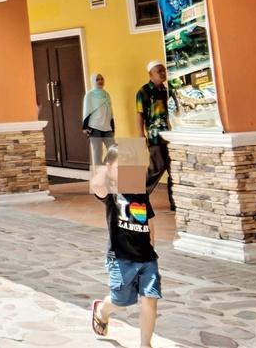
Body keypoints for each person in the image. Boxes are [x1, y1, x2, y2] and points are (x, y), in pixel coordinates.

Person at [90, 145, 160, 347]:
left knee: (149, 299)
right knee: (121, 301)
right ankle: (102, 310)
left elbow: (149, 221)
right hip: (120, 257)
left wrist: (152, 250)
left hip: (146, 257)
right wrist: (104, 168)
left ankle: (145, 344)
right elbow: (96, 185)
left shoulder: (140, 192)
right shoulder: (111, 194)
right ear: (110, 169)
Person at [136, 61, 175, 209]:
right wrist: (141, 134)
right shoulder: (143, 91)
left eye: (164, 70)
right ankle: (138, 197)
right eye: (159, 71)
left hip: (171, 136)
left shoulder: (167, 90)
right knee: (157, 168)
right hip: (155, 136)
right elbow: (139, 114)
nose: (163, 73)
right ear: (150, 74)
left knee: (174, 170)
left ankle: (175, 203)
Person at [82, 72, 116, 163]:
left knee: (114, 150)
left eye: (102, 79)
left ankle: (103, 169)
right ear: (93, 81)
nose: (100, 81)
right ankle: (99, 175)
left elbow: (110, 112)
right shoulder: (89, 95)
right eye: (97, 79)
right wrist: (85, 127)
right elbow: (86, 111)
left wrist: (112, 127)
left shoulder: (106, 94)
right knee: (98, 153)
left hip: (107, 127)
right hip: (94, 127)